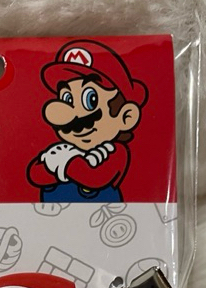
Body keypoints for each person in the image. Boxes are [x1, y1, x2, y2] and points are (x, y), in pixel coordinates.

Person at [27, 40, 148, 203]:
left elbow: (95, 177)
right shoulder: (62, 150)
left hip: (103, 216)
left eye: (91, 100)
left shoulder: (115, 152)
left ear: (126, 117)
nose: (75, 115)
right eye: (68, 99)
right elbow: (36, 174)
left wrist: (65, 164)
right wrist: (57, 161)